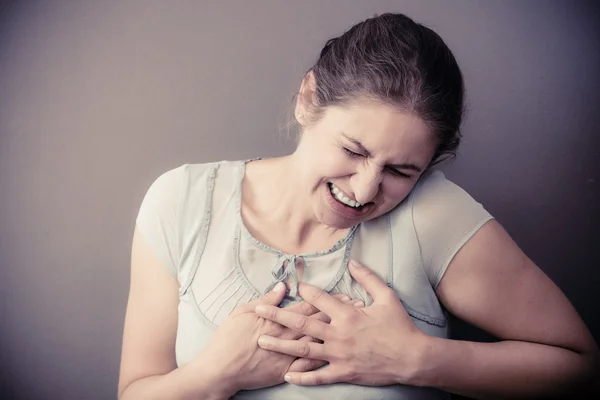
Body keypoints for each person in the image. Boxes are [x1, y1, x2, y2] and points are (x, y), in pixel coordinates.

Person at [117, 12, 598, 400]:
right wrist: (215, 376)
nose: (366, 191)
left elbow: (580, 367)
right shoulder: (181, 201)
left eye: (401, 171)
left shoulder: (434, 216)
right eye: (353, 151)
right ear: (308, 100)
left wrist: (414, 360)